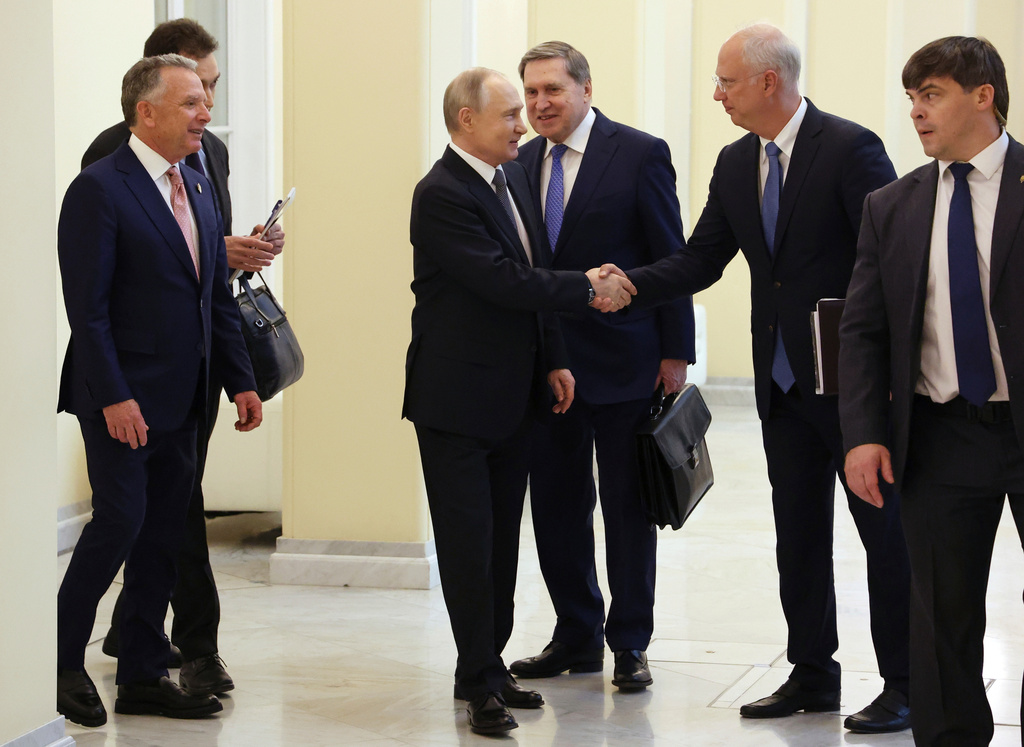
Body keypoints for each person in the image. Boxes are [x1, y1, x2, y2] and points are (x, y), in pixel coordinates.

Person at [618, 23, 912, 732]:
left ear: (767, 82)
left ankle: (905, 682)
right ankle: (813, 673)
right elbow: (699, 262)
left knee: (886, 539)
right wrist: (622, 283)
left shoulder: (849, 148)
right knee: (798, 537)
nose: (717, 93)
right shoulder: (731, 162)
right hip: (782, 387)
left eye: (725, 81)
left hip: (853, 388)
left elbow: (893, 260)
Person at [404, 67, 635, 735]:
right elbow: (502, 280)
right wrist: (588, 287)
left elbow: (530, 272)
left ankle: (487, 663)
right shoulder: (441, 194)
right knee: (469, 545)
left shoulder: (511, 180)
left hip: (516, 395)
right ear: (466, 122)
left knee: (503, 541)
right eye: (508, 113)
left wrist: (556, 358)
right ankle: (477, 681)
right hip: (455, 401)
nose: (522, 122)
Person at [56, 54, 262, 726]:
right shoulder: (100, 188)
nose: (206, 114)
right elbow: (86, 310)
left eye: (206, 101)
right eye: (192, 103)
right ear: (146, 112)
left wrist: (241, 382)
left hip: (187, 395)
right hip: (121, 396)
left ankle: (143, 672)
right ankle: (57, 662)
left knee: (165, 531)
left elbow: (215, 299)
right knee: (118, 521)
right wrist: (114, 396)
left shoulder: (198, 184)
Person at [840, 36, 1024, 746]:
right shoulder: (892, 205)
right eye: (911, 96)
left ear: (984, 96)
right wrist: (863, 432)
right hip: (941, 435)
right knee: (942, 611)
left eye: (932, 94)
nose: (915, 111)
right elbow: (862, 332)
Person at [508, 41, 695, 692]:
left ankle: (630, 642)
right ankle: (576, 634)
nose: (539, 104)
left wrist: (676, 351)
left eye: (552, 90)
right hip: (548, 370)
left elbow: (671, 255)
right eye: (530, 92)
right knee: (557, 505)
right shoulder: (519, 163)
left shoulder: (640, 153)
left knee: (626, 507)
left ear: (586, 88)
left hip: (627, 361)